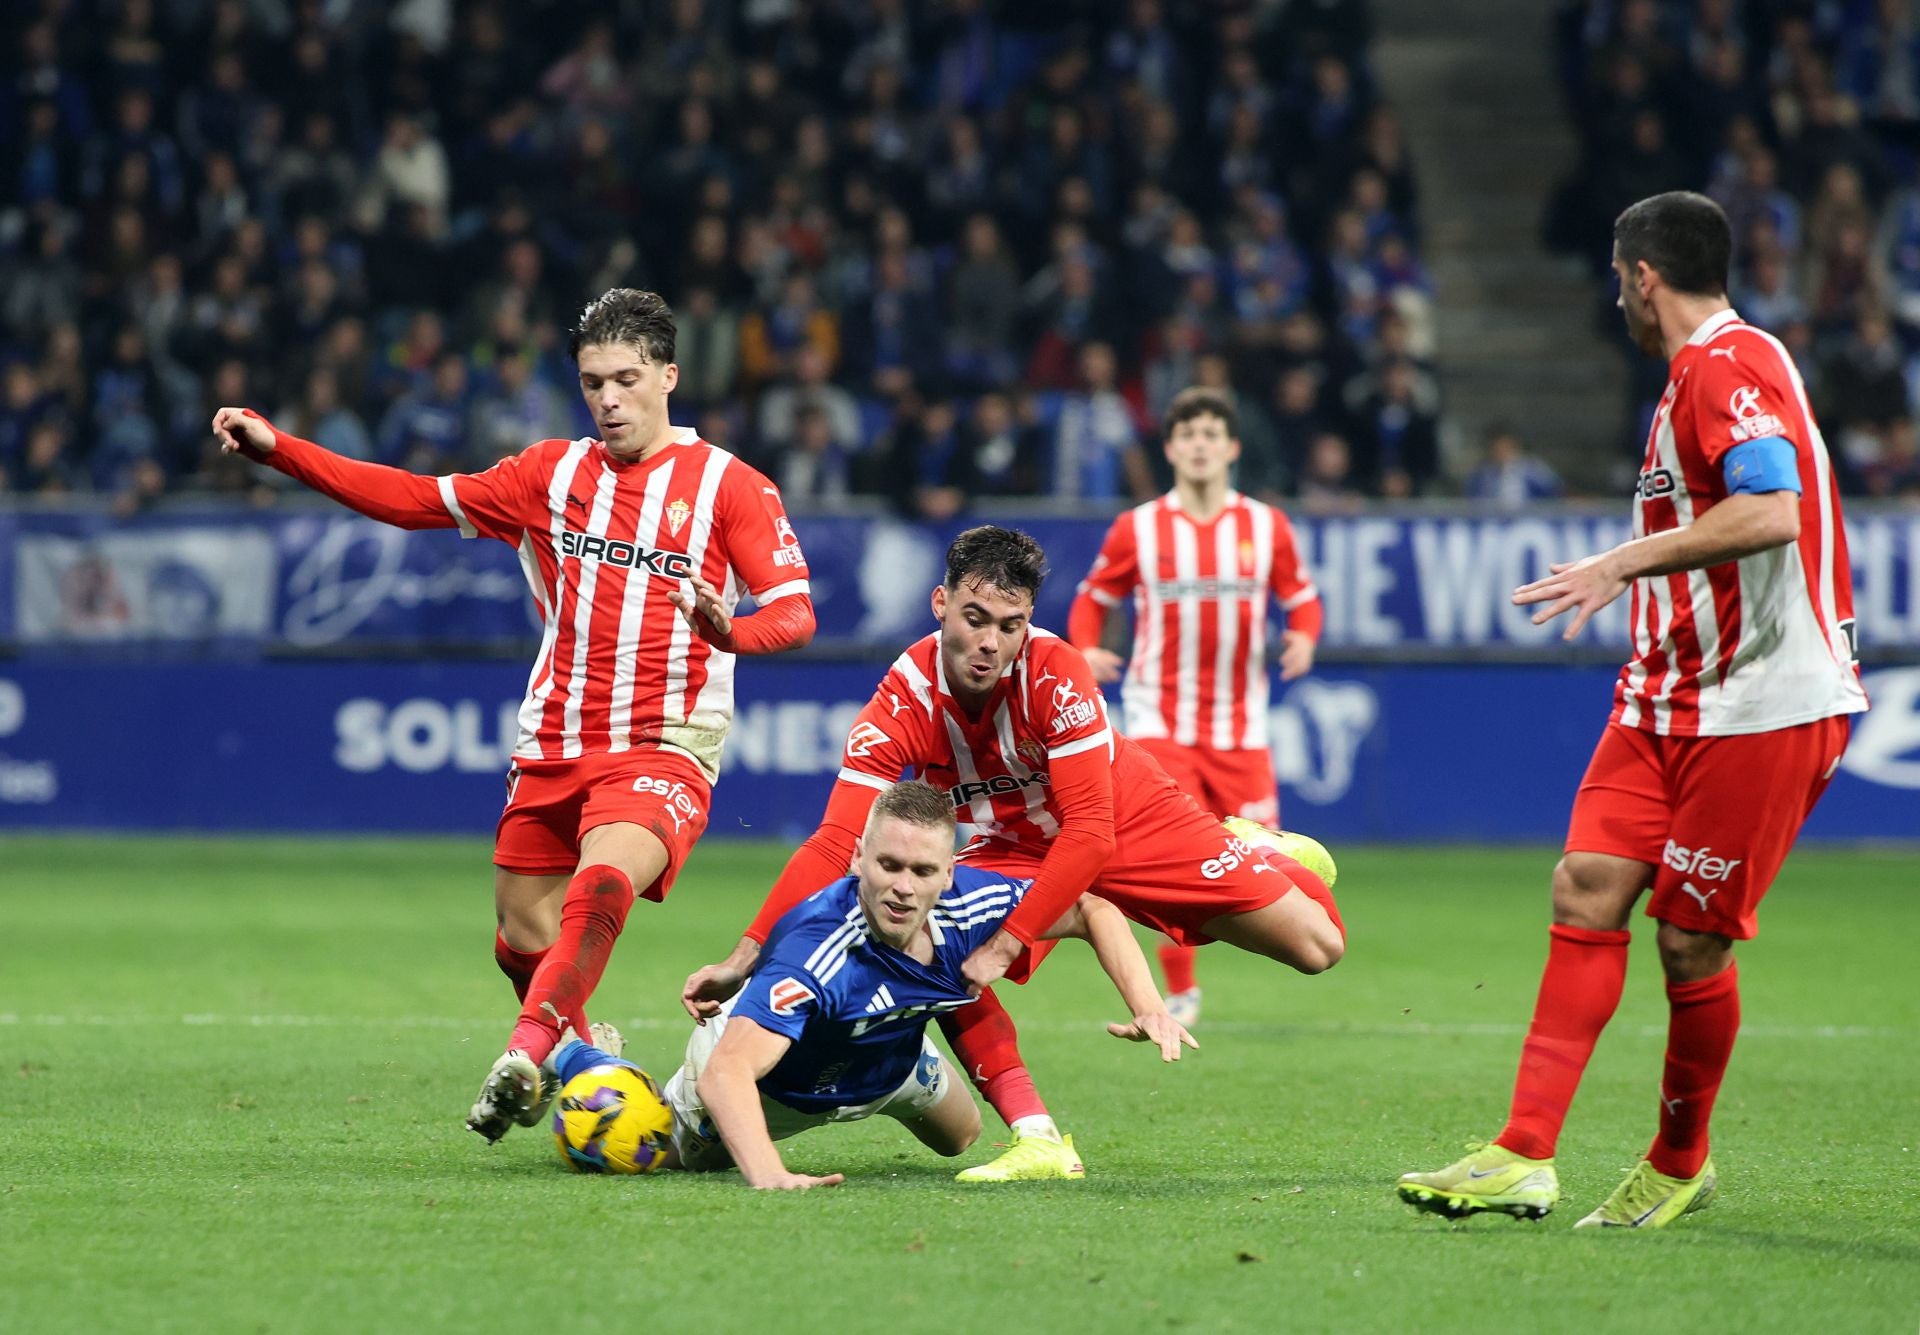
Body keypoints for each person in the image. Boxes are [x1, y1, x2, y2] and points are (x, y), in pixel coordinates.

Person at [209, 288, 818, 1143]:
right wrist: (283, 452)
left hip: (665, 742)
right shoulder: (548, 474)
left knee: (602, 883)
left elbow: (796, 611)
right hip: (556, 740)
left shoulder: (730, 485)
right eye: (592, 381)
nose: (609, 398)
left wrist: (733, 629)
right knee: (519, 934)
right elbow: (413, 497)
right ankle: (587, 1061)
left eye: (627, 379)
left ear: (669, 377)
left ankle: (525, 1054)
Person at [1398, 192, 1868, 1228]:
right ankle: (1523, 1151)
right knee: (1586, 885)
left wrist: (1621, 563)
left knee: (1690, 944)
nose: (1617, 296)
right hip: (1666, 698)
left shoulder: (1726, 367)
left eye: (1618, 279)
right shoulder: (1695, 378)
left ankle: (1676, 1160)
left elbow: (1771, 511)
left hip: (1762, 705)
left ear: (1643, 276)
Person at [684, 526, 1345, 1183]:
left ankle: (1256, 852)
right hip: (1019, 842)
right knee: (936, 943)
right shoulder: (902, 700)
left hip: (1126, 817)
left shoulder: (1056, 673)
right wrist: (747, 952)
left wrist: (1008, 942)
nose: (990, 643)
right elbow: (835, 841)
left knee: (1318, 948)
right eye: (975, 619)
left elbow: (1090, 834)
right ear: (941, 604)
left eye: (1010, 624)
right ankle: (1039, 1138)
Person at [1067, 387, 1323, 1026]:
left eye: (1212, 433)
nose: (1201, 444)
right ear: (1171, 447)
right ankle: (1180, 990)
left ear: (1231, 448)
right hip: (1160, 719)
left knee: (1272, 857)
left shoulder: (1266, 526)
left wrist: (1304, 636)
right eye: (1188, 434)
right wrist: (1087, 649)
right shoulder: (1140, 527)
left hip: (1241, 724)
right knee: (1168, 851)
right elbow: (1094, 595)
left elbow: (1303, 597)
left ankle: (1304, 941)